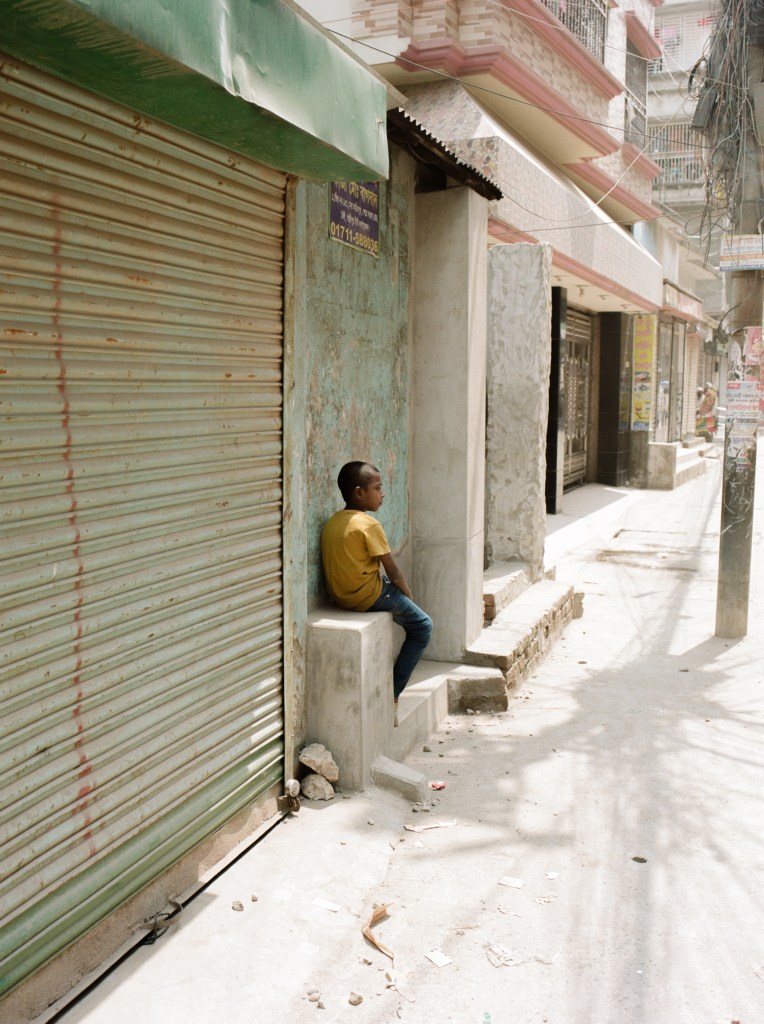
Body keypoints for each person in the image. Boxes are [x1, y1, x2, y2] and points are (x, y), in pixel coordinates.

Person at [320, 461, 432, 724]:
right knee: (423, 626)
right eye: (378, 488)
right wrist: (408, 596)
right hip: (369, 595)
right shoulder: (369, 525)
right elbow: (393, 571)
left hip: (341, 597)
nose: (382, 494)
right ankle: (393, 694)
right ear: (359, 492)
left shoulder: (333, 522)